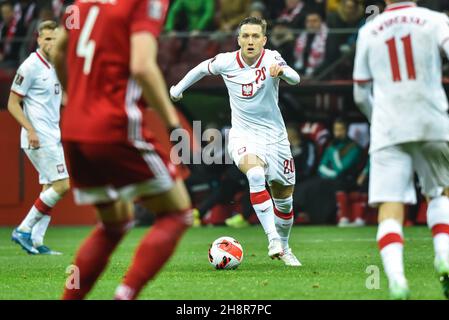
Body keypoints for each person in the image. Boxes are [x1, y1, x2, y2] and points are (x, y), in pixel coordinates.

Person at [52, 0, 192, 300]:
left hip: (74, 127)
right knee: (177, 214)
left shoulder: (83, 2)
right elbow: (142, 66)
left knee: (114, 223)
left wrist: (76, 97)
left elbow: (58, 49)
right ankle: (124, 295)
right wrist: (172, 123)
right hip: (114, 125)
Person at [170, 16, 302, 266]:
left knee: (284, 202)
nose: (250, 41)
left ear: (263, 40)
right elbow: (200, 68)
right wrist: (178, 88)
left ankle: (285, 247)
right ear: (238, 39)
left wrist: (282, 71)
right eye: (246, 36)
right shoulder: (226, 61)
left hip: (275, 137)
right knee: (254, 175)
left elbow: (296, 79)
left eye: (255, 36)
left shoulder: (272, 58)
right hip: (243, 134)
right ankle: (272, 238)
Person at [353, 0, 449, 299]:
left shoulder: (369, 30)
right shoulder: (434, 20)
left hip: (389, 127)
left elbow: (360, 92)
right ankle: (444, 254)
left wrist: (378, 118)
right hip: (432, 121)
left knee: (390, 204)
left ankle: (397, 279)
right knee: (441, 191)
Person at [8, 20, 68, 255]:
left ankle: (36, 241)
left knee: (49, 188)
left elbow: (61, 98)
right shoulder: (30, 66)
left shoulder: (55, 65)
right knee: (62, 185)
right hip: (39, 137)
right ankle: (23, 230)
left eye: (55, 38)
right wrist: (30, 130)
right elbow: (13, 104)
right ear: (38, 39)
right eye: (47, 38)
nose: (51, 43)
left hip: (52, 134)